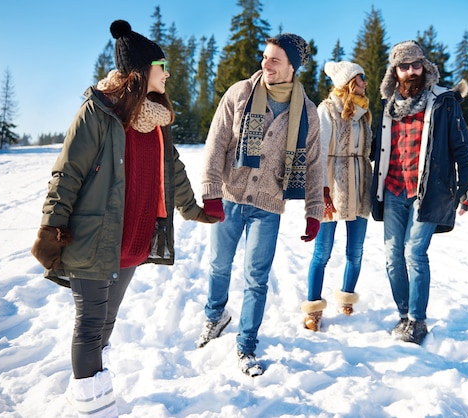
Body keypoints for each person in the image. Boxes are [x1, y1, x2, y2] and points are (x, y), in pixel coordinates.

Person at [30, 20, 217, 417]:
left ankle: (90, 387)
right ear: (140, 72)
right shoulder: (97, 112)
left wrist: (194, 210)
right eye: (160, 66)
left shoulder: (157, 121)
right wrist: (51, 227)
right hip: (95, 237)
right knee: (90, 323)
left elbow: (174, 172)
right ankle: (92, 404)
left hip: (134, 241)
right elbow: (68, 173)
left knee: (107, 322)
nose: (167, 73)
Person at [197, 33, 324, 377]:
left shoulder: (307, 113)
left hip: (268, 206)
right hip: (230, 197)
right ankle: (215, 316)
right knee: (219, 265)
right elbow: (216, 142)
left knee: (256, 279)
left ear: (291, 67)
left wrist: (314, 212)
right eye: (264, 57)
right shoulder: (240, 93)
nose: (265, 64)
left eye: (274, 60)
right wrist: (210, 191)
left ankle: (246, 346)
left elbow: (315, 165)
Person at [371, 40, 468, 345]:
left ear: (425, 67)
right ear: (395, 72)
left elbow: (462, 147)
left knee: (414, 253)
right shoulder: (388, 106)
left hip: (428, 191)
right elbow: (375, 148)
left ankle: (417, 322)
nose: (410, 72)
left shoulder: (444, 101)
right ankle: (404, 315)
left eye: (415, 65)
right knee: (393, 257)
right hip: (392, 189)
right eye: (403, 67)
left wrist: (467, 186)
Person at [302, 61, 373, 332]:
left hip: (360, 183)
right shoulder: (327, 109)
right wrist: (322, 189)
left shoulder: (364, 111)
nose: (366, 82)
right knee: (322, 252)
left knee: (355, 251)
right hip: (332, 183)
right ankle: (313, 308)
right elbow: (317, 151)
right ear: (349, 81)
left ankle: (347, 297)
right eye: (362, 77)